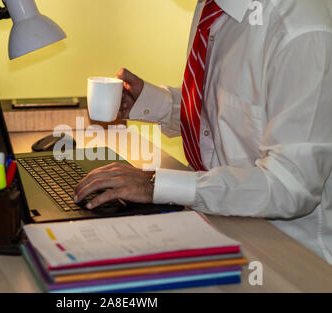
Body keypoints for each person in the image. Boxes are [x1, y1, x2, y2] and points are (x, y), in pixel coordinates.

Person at [74, 0, 332, 263]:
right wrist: (152, 102)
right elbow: (227, 118)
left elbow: (290, 186)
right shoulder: (212, 8)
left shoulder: (300, 30)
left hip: (293, 259)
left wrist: (155, 184)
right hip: (220, 224)